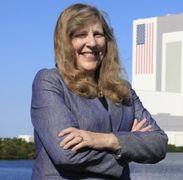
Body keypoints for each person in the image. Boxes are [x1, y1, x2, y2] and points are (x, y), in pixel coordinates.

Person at [31, 3, 168, 179]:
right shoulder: (49, 81)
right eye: (81, 35)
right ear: (64, 42)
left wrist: (105, 140)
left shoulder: (123, 90)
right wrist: (128, 146)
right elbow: (67, 155)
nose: (92, 43)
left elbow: (159, 143)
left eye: (98, 34)